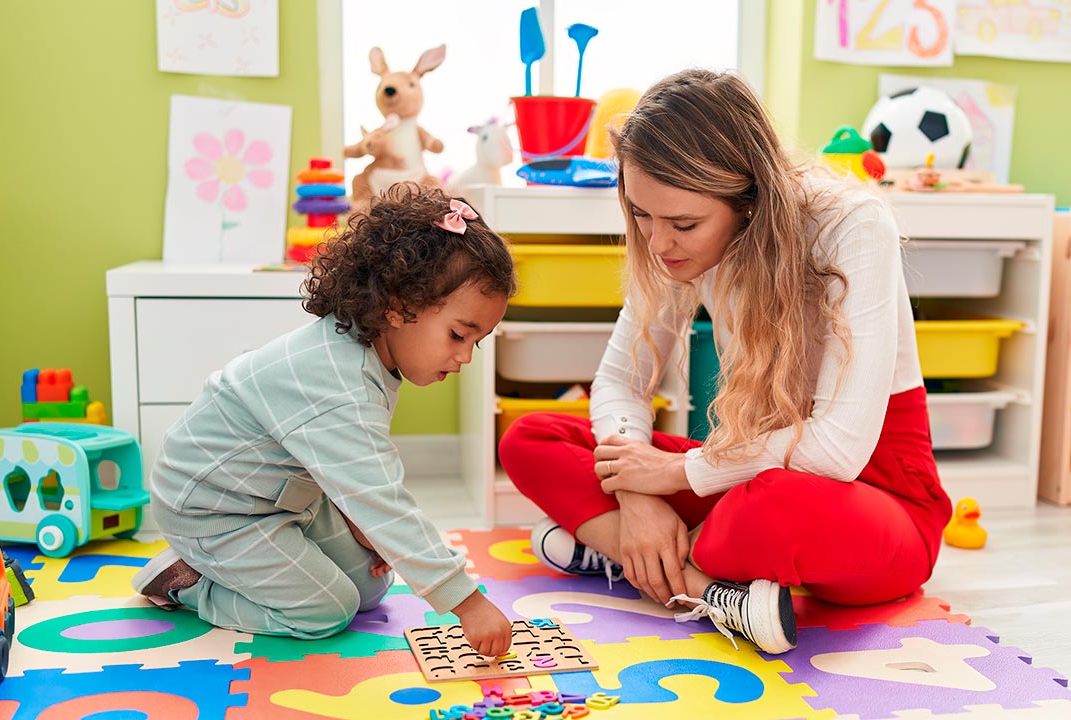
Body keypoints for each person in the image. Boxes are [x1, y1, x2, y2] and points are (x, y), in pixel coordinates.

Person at [498, 70, 953, 655]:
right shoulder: (673, 245)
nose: (660, 242)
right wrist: (638, 499)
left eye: (684, 224)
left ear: (749, 201)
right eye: (641, 215)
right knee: (532, 436)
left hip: (877, 498)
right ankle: (696, 581)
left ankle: (623, 553)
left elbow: (838, 451)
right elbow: (619, 381)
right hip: (747, 471)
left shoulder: (852, 225)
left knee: (764, 510)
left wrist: (673, 477)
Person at [132, 184, 516, 657]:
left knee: (371, 587)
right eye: (459, 335)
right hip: (213, 508)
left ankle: (222, 566)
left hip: (280, 497)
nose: (465, 357)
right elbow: (380, 497)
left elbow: (351, 474)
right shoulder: (336, 382)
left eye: (475, 343)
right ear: (397, 306)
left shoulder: (367, 351)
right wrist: (467, 603)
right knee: (323, 612)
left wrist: (366, 530)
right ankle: (188, 581)